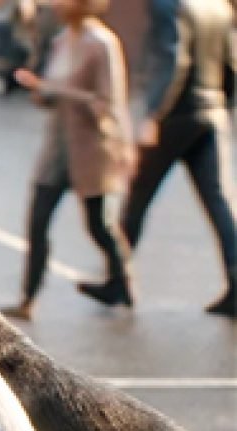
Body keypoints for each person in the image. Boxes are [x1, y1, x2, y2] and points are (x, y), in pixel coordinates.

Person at [1, 0, 135, 319]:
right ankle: (28, 298)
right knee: (38, 220)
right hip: (57, 147)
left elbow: (107, 101)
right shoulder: (62, 40)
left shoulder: (102, 43)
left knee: (98, 224)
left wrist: (55, 89)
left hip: (91, 147)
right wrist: (40, 91)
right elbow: (49, 95)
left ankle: (122, 281)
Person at [120, 0, 237, 318]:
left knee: (138, 193)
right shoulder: (218, 7)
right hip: (210, 112)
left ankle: (118, 276)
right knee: (219, 201)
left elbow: (173, 59)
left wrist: (154, 114)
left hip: (176, 115)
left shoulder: (169, 6)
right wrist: (223, 106)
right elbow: (231, 64)